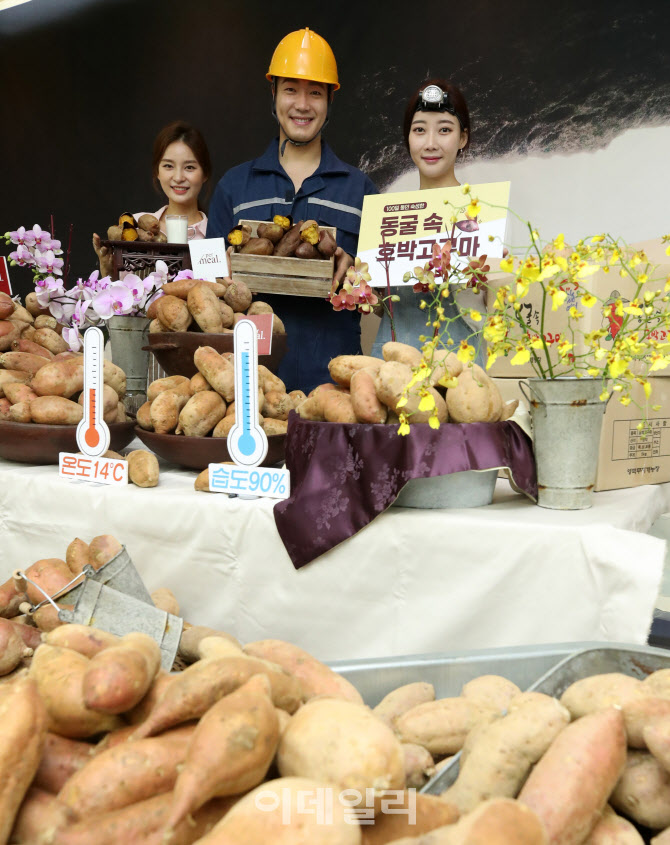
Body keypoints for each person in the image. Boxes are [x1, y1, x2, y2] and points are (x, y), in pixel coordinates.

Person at [206, 28, 378, 393]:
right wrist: (221, 276)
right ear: (273, 93)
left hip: (334, 390)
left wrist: (358, 276)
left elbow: (383, 300)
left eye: (315, 92)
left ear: (330, 99)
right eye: (290, 90)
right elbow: (202, 284)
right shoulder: (233, 186)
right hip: (245, 390)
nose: (302, 105)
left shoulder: (361, 190)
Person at [371, 79, 484, 362]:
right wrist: (367, 288)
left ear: (463, 138)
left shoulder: (485, 214)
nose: (430, 143)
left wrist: (489, 278)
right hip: (392, 365)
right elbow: (383, 308)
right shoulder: (389, 216)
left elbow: (492, 311)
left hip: (460, 371)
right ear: (407, 138)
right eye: (419, 130)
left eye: (444, 130)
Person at [93, 121, 212, 275]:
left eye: (189, 167)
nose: (178, 177)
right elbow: (120, 293)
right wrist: (107, 270)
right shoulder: (135, 228)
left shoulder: (214, 235)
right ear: (157, 171)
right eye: (168, 166)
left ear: (205, 174)